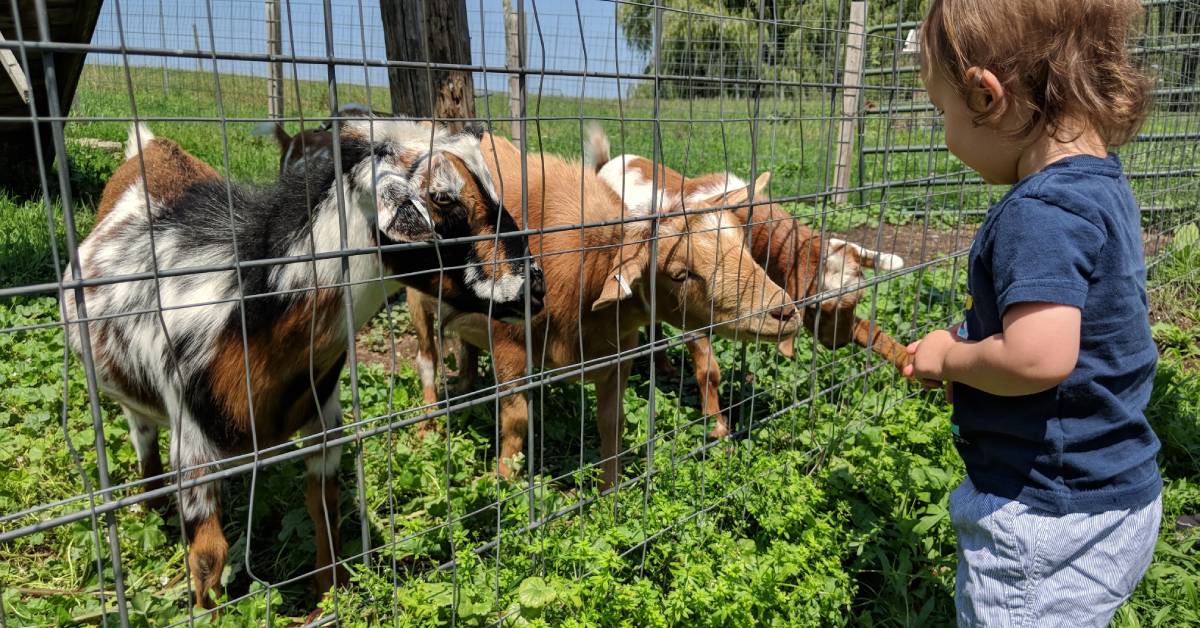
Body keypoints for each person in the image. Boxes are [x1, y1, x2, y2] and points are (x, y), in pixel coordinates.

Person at [904, 1, 1164, 625]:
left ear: (986, 96)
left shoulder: (1039, 212)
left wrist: (952, 356)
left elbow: (1038, 355)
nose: (944, 134)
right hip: (1115, 490)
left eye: (944, 112)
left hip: (1047, 515)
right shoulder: (1101, 184)